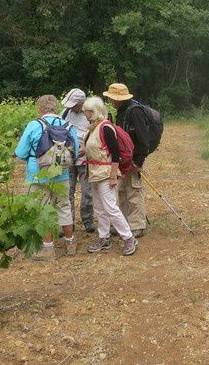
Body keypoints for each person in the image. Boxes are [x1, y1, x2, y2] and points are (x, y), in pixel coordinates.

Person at [13, 95, 79, 260]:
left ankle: (48, 249)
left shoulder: (34, 125)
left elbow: (20, 152)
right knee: (64, 206)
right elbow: (75, 152)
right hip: (62, 173)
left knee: (43, 209)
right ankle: (70, 243)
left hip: (38, 175)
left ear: (40, 109)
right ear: (56, 108)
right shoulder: (68, 126)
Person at [81, 97, 137, 256]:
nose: (86, 114)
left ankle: (129, 238)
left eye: (88, 111)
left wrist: (113, 176)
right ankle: (103, 237)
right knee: (99, 207)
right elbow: (98, 149)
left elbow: (116, 154)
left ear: (95, 111)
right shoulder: (93, 128)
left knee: (111, 207)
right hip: (94, 172)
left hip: (106, 173)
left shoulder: (105, 127)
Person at [103, 83, 150, 238]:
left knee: (134, 192)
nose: (110, 101)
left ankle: (137, 226)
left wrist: (139, 160)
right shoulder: (121, 111)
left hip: (134, 160)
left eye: (111, 99)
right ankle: (124, 225)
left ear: (118, 99)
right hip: (124, 160)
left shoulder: (134, 112)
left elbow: (143, 139)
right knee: (122, 192)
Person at [61, 88, 95, 233]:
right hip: (68, 159)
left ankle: (88, 220)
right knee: (67, 191)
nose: (71, 107)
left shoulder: (91, 114)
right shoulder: (64, 113)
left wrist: (86, 148)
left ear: (81, 103)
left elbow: (97, 135)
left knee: (87, 191)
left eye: (74, 104)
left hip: (85, 159)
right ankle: (68, 223)